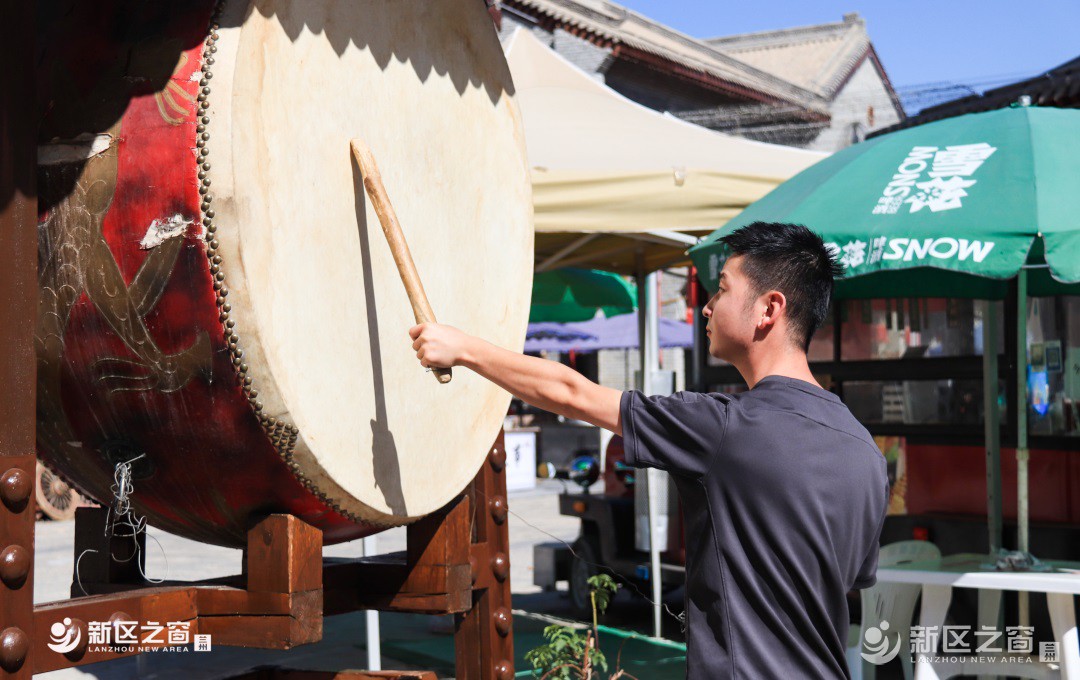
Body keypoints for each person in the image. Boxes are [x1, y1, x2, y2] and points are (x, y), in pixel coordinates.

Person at [409, 222, 889, 679]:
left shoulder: (725, 427)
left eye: (721, 289)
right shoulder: (865, 453)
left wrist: (464, 348)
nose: (705, 306)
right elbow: (846, 582)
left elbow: (572, 393)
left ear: (769, 309)